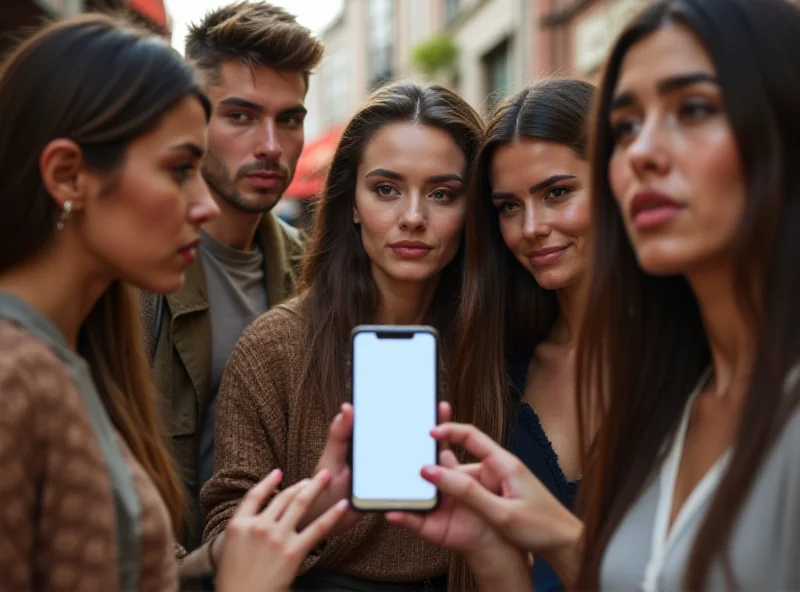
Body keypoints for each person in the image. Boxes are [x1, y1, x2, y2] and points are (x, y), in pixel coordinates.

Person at [389, 0, 800, 590]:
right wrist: (499, 554)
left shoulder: (699, 369)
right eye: (626, 126)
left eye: (694, 108)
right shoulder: (498, 360)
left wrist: (559, 537)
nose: (642, 152)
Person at [0, 14, 347, 592]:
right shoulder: (20, 374)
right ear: (67, 175)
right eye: (178, 168)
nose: (203, 204)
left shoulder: (305, 265)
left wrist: (278, 528)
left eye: (289, 120)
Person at [201, 81, 509, 591]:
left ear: (471, 209)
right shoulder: (274, 347)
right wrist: (315, 507)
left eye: (442, 194)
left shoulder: (497, 340)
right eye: (386, 189)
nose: (413, 218)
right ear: (351, 203)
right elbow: (226, 529)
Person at [139, 1, 324, 551]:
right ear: (194, 119)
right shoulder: (135, 271)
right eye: (240, 116)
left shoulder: (312, 269)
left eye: (289, 119)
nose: (270, 145)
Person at [446, 79, 594, 592]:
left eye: (557, 193)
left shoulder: (702, 357)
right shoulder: (499, 366)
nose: (531, 227)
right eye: (509, 206)